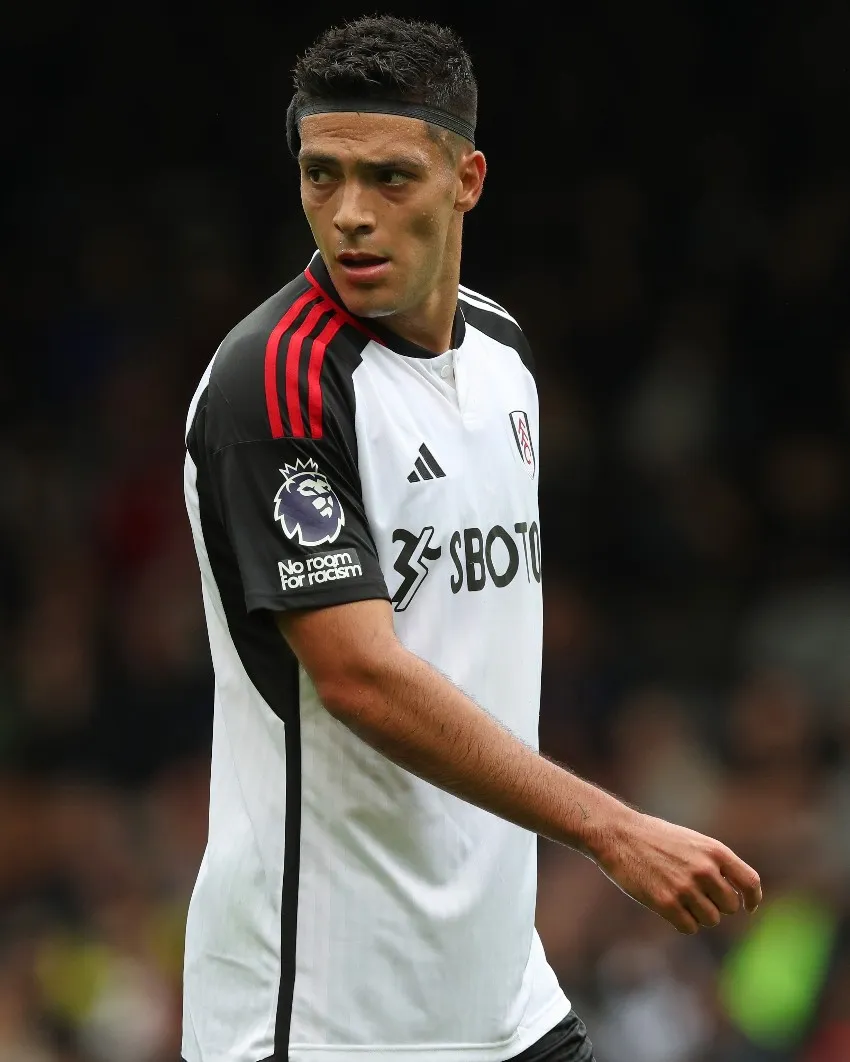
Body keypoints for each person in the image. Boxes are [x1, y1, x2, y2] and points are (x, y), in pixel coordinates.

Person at [181, 14, 762, 1062]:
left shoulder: (502, 353)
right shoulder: (272, 385)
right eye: (321, 176)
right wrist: (609, 828)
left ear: (468, 179)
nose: (349, 215)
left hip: (500, 994)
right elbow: (360, 677)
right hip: (326, 1012)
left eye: (389, 178)